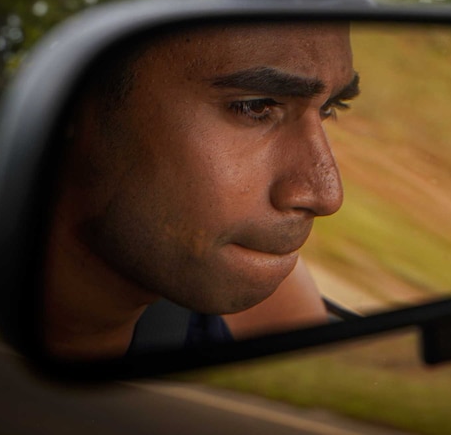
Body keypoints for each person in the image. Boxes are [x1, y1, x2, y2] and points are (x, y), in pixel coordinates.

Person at [42, 21, 360, 360]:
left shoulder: (281, 309)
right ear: (74, 107)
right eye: (255, 106)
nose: (328, 196)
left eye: (328, 109)